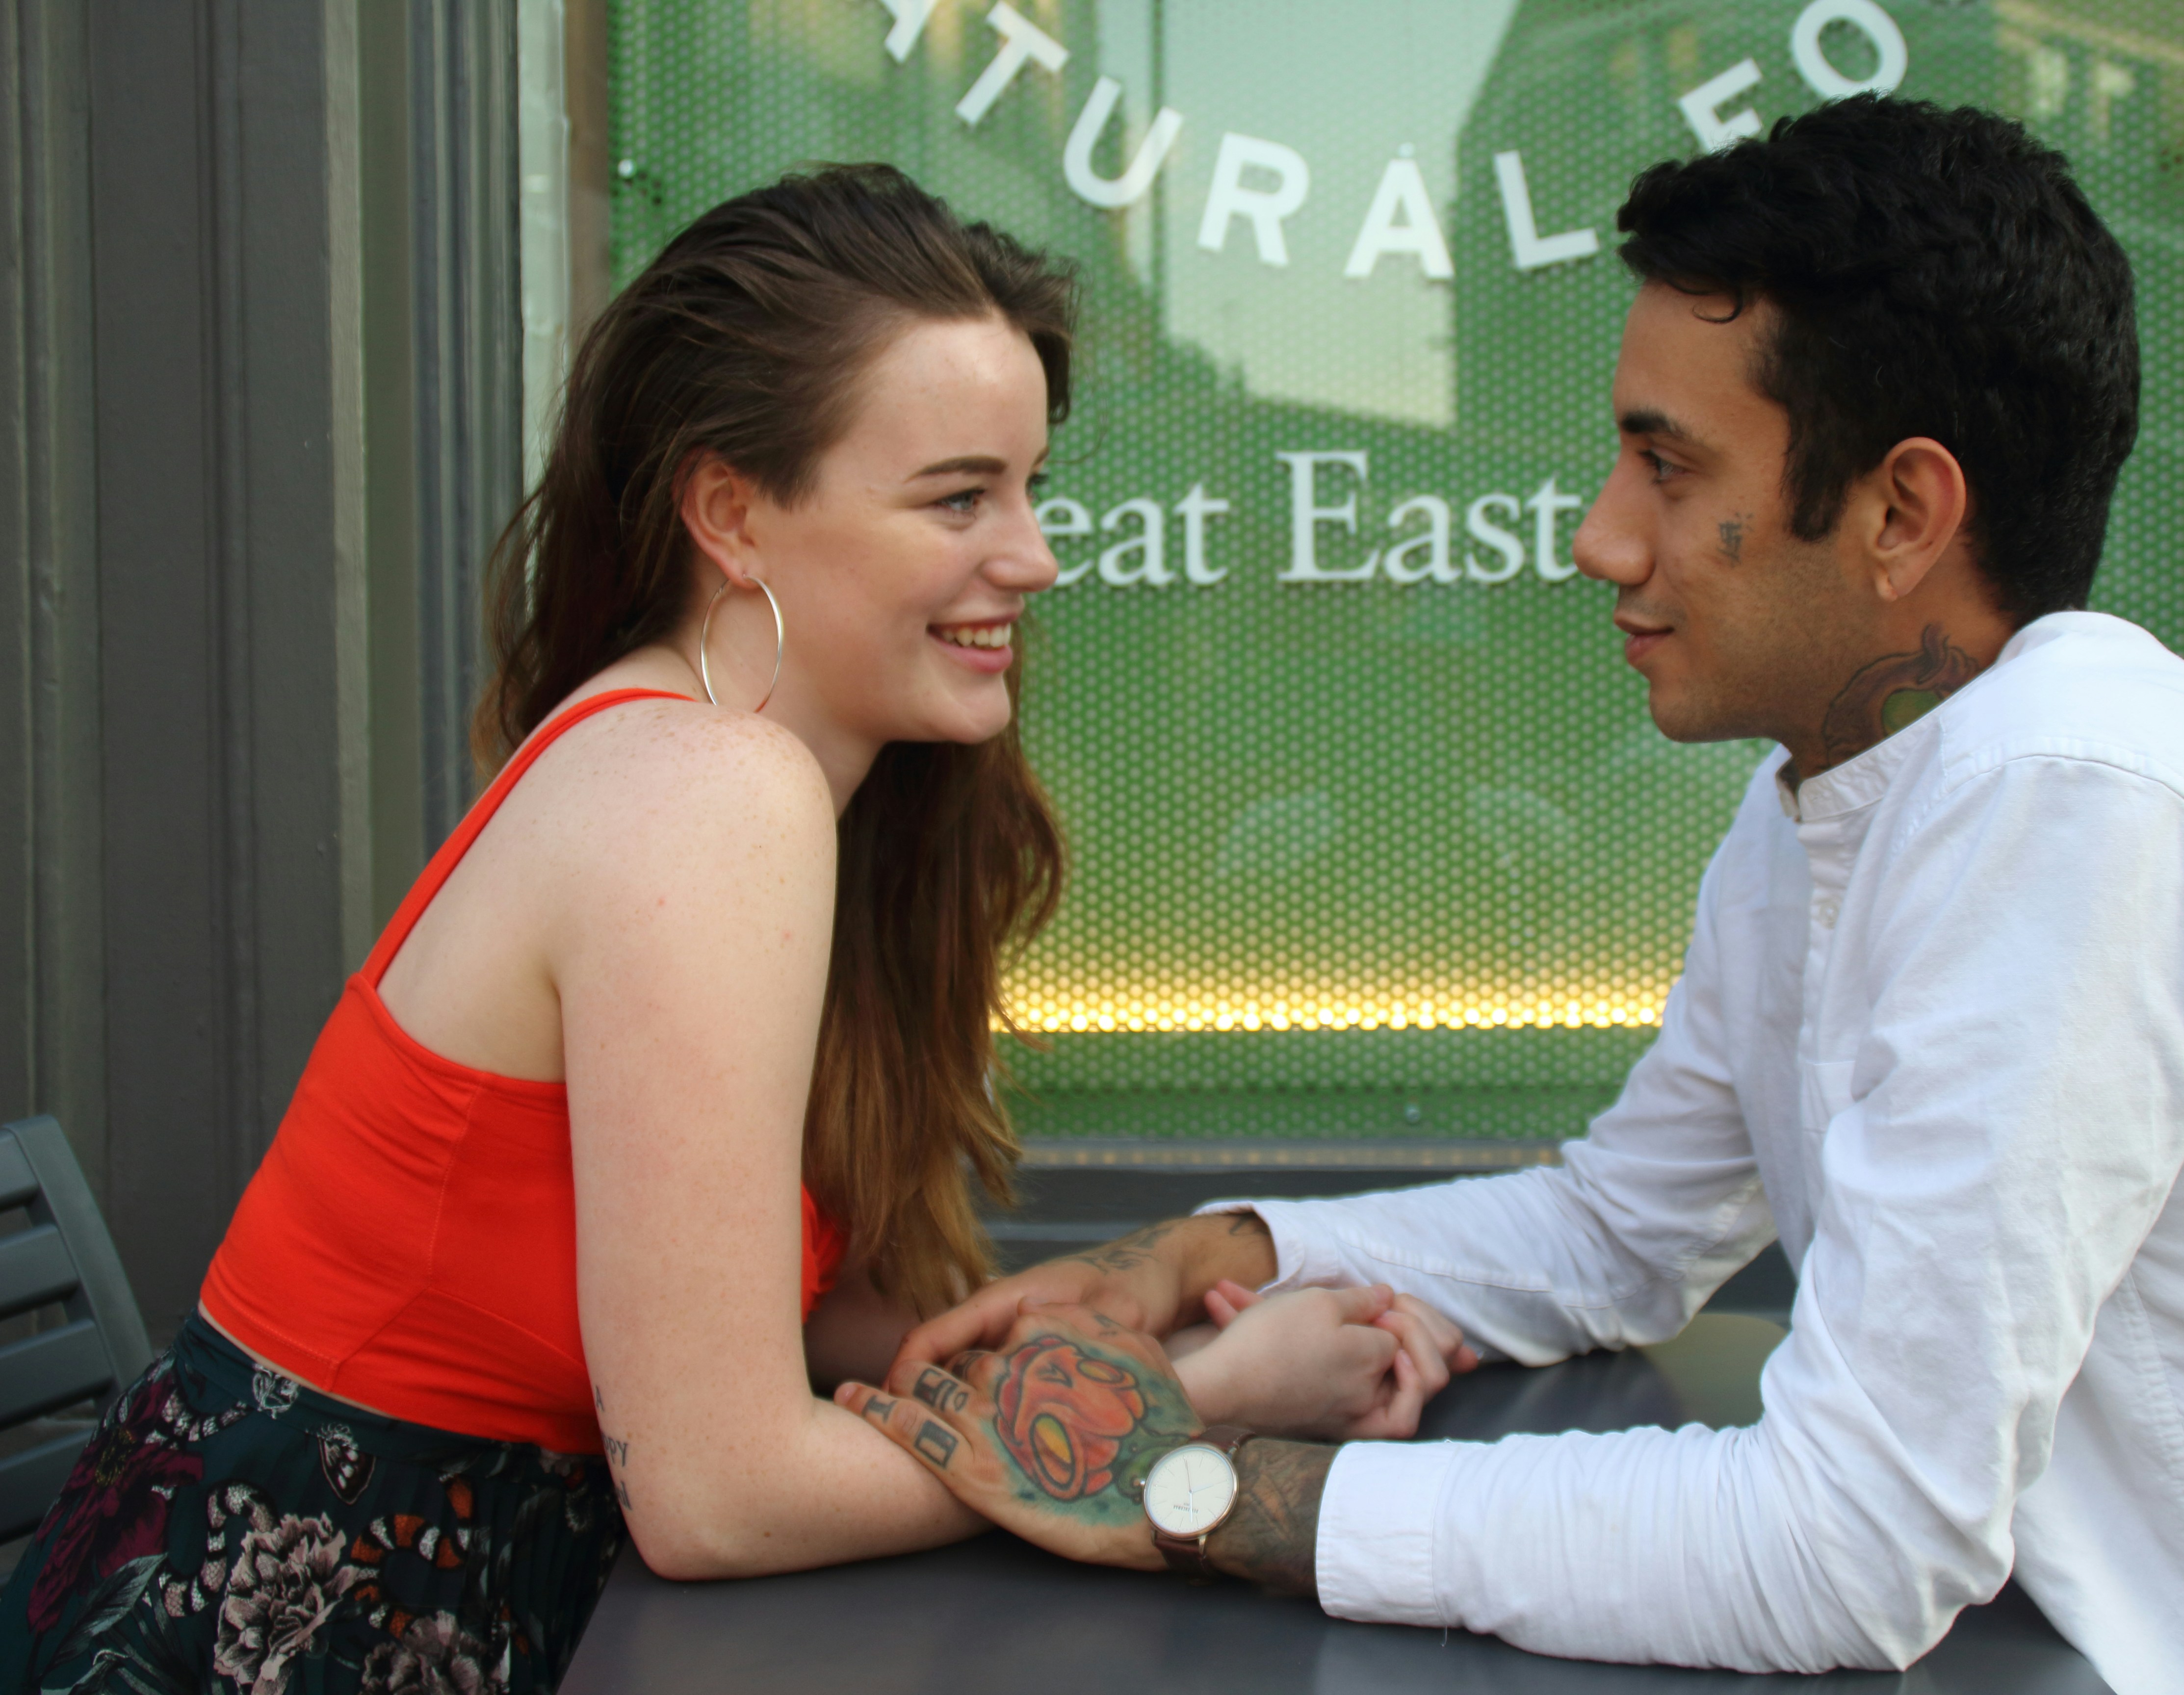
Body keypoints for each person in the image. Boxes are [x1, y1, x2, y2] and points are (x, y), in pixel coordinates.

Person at [850, 101, 2184, 1694]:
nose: (1603, 538)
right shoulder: (1840, 789)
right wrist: (1204, 1252)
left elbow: (1849, 1547)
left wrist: (1196, 1496)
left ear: (1903, 512)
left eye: (1669, 467)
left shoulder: (2076, 799)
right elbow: (1625, 1231)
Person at [0, 165, 1464, 1695]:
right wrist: (1200, 1395)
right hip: (279, 1641)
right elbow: (719, 1495)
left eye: (1033, 488)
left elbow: (767, 1314)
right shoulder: (709, 791)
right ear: (731, 513)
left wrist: (1071, 1320)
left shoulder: (734, 769)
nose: (1032, 556)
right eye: (961, 496)